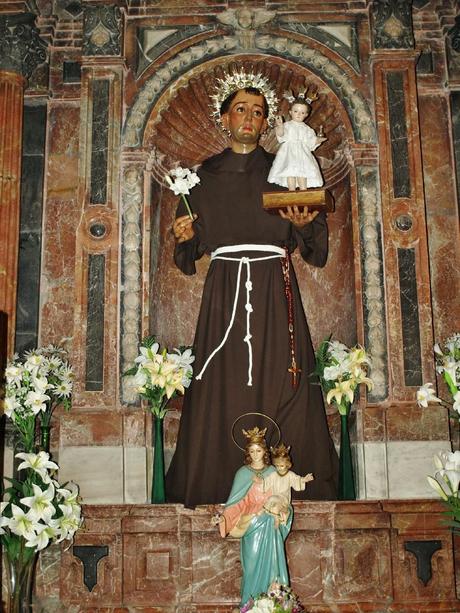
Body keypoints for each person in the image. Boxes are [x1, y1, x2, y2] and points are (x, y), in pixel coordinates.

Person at [165, 69, 338, 508]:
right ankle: (214, 486)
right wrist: (183, 237)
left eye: (258, 112)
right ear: (224, 117)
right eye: (240, 109)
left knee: (286, 378)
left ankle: (289, 486)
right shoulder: (202, 177)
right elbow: (189, 255)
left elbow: (314, 248)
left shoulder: (284, 172)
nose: (249, 118)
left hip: (272, 291)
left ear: (267, 124)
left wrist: (304, 223)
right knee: (220, 386)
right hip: (224, 292)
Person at [215, 427, 291, 606]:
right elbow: (236, 503)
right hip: (251, 525)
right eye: (252, 451)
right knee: (250, 568)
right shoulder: (243, 474)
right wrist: (224, 519)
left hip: (270, 526)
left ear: (265, 451)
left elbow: (284, 498)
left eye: (259, 450)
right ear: (248, 452)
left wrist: (282, 512)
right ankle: (249, 605)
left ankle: (274, 605)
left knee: (273, 565)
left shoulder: (273, 472)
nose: (256, 454)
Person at [268, 91, 326, 191]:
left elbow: (310, 142)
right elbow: (281, 135)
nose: (299, 114)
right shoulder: (287, 125)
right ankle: (291, 191)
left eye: (302, 112)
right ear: (290, 112)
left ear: (306, 115)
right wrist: (280, 126)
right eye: (296, 111)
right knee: (289, 171)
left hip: (302, 153)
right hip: (289, 152)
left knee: (302, 171)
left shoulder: (307, 129)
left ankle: (303, 191)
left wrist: (318, 140)